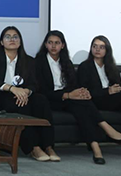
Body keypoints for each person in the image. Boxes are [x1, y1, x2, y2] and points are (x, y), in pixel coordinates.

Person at [36, 30, 121, 164]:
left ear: (62, 45)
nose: (53, 46)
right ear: (45, 45)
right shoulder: (38, 62)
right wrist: (70, 94)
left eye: (57, 43)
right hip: (51, 99)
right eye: (50, 43)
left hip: (68, 98)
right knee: (81, 102)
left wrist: (78, 93)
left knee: (82, 103)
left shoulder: (66, 62)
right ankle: (106, 129)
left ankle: (95, 146)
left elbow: (73, 84)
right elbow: (41, 90)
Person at [0, 26, 57, 162]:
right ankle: (33, 147)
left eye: (15, 37)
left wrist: (26, 91)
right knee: (21, 105)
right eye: (7, 37)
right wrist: (10, 88)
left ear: (20, 42)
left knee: (41, 101)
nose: (12, 40)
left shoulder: (28, 60)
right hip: (2, 95)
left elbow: (34, 84)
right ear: (2, 42)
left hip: (23, 93)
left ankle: (49, 146)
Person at [78, 35, 121, 111]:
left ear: (107, 50)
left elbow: (117, 86)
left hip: (112, 99)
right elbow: (85, 91)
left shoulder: (112, 68)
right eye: (95, 46)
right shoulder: (84, 67)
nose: (97, 49)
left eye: (101, 47)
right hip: (95, 101)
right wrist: (108, 91)